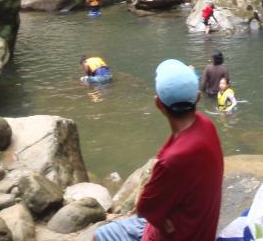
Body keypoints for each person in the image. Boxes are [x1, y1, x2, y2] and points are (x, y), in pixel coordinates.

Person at [94, 59, 224, 241]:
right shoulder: (207, 126)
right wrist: (163, 217)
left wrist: (161, 217)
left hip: (173, 236)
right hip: (199, 228)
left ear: (158, 104)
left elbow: (143, 210)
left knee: (99, 235)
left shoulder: (171, 161)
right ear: (197, 98)